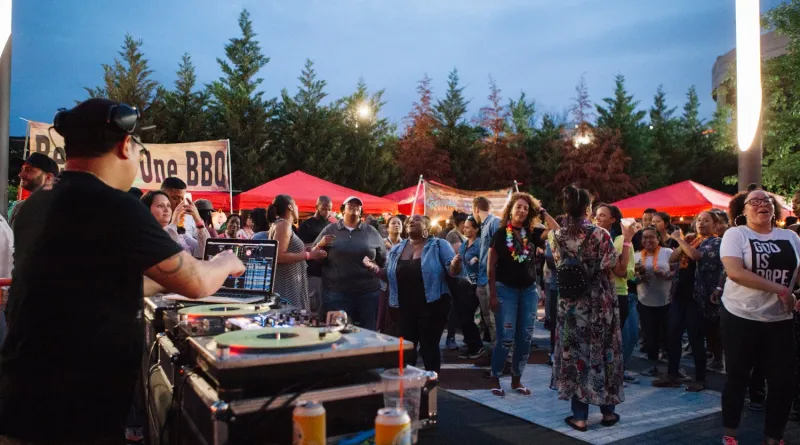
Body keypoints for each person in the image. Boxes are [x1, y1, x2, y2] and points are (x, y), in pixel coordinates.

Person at [0, 98, 245, 444]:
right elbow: (197, 282)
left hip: (22, 401)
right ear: (126, 144)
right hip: (75, 413)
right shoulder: (116, 206)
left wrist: (158, 285)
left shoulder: (35, 205)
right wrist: (228, 261)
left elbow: (84, 283)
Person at [719, 189, 799, 445]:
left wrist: (797, 294)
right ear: (743, 211)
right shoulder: (736, 234)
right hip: (741, 314)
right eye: (754, 202)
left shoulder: (791, 236)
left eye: (766, 201)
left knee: (783, 380)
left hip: (779, 319)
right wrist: (781, 290)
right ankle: (730, 434)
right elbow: (734, 272)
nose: (761, 204)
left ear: (774, 208)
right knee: (738, 376)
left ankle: (774, 437)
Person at [551, 185, 627, 431]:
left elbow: (559, 265)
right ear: (587, 209)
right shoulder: (600, 234)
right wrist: (626, 241)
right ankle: (607, 413)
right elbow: (617, 269)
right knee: (603, 353)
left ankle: (580, 416)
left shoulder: (558, 236)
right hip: (599, 302)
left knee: (575, 356)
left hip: (572, 305)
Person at [365, 215, 461, 372]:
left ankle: (430, 389)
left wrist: (456, 265)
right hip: (403, 310)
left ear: (426, 226)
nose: (410, 221)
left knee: (429, 350)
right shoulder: (397, 249)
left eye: (416, 219)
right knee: (405, 353)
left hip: (432, 307)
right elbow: (389, 275)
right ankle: (408, 389)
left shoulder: (438, 245)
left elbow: (453, 271)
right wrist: (373, 267)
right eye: (409, 220)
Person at [487, 193, 558, 396]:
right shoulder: (501, 234)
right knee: (506, 337)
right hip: (505, 291)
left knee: (525, 337)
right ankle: (495, 376)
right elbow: (490, 267)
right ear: (510, 209)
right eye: (518, 207)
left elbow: (556, 230)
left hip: (528, 292)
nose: (522, 211)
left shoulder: (532, 233)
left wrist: (542, 212)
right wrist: (492, 294)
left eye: (526, 208)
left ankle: (517, 380)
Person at [652, 211, 721, 391]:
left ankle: (700, 378)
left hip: (696, 297)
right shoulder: (692, 239)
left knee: (696, 337)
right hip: (679, 295)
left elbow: (696, 256)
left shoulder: (716, 242)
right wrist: (684, 242)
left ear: (715, 224)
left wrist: (680, 239)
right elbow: (673, 259)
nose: (701, 223)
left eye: (706, 221)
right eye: (699, 220)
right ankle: (672, 374)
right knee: (673, 334)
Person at [313, 196, 387, 330]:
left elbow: (382, 259)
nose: (354, 207)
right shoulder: (330, 229)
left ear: (361, 211)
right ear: (342, 210)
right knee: (337, 333)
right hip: (336, 292)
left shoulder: (371, 231)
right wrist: (320, 245)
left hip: (367, 293)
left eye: (358, 205)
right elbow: (314, 255)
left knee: (369, 333)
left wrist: (374, 265)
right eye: (350, 204)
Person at [594, 204, 637, 383]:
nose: (598, 218)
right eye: (597, 215)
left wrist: (626, 242)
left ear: (613, 220)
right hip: (597, 294)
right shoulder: (591, 238)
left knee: (614, 340)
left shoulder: (620, 240)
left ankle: (612, 376)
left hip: (618, 294)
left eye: (603, 215)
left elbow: (626, 272)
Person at [269, 195, 326, 310]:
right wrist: (309, 255)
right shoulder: (283, 225)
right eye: (295, 204)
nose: (297, 208)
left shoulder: (282, 225)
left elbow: (290, 250)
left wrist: (311, 248)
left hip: (291, 283)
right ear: (290, 207)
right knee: (290, 320)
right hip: (287, 286)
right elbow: (279, 256)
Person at [634, 226, 673, 377]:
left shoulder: (667, 252)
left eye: (651, 237)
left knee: (668, 334)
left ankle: (672, 368)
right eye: (645, 238)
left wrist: (667, 274)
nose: (648, 240)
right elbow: (631, 277)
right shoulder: (637, 256)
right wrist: (639, 278)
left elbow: (676, 272)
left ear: (658, 238)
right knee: (650, 335)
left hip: (666, 301)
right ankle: (653, 365)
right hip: (645, 301)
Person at [473, 196, 501, 366]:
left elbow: (499, 252)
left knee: (494, 320)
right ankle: (494, 354)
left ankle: (499, 358)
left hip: (492, 280)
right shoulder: (486, 225)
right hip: (484, 279)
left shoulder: (494, 223)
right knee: (488, 320)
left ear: (476, 209)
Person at [142, 190, 210, 259]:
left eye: (168, 205)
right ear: (147, 210)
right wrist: (174, 222)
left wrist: (198, 221)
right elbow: (167, 250)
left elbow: (205, 252)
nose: (166, 209)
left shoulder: (179, 233)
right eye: (160, 206)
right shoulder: (146, 236)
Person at [455, 215, 484, 359]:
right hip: (463, 283)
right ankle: (471, 344)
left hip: (475, 285)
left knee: (469, 317)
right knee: (463, 317)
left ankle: (476, 346)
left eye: (468, 227)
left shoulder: (480, 244)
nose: (464, 229)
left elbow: (484, 264)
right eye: (464, 227)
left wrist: (476, 261)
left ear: (476, 229)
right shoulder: (464, 244)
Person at [8, 153, 59, 229]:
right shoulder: (18, 208)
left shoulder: (60, 212)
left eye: (29, 170)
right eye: (22, 169)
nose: (20, 174)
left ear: (48, 177)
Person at [377, 215, 405, 335]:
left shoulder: (406, 245)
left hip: (402, 286)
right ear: (387, 228)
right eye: (393, 223)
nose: (397, 225)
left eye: (399, 223)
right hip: (385, 286)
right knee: (384, 317)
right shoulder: (381, 244)